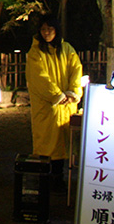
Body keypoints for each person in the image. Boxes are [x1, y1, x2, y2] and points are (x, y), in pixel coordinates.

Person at [25, 14, 84, 192]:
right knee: (46, 145)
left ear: (56, 30)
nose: (46, 33)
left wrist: (73, 92)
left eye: (50, 29)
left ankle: (58, 180)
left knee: (62, 146)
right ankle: (45, 180)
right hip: (47, 107)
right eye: (43, 29)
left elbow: (76, 71)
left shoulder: (67, 49)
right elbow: (39, 78)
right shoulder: (35, 53)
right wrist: (57, 95)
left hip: (66, 106)